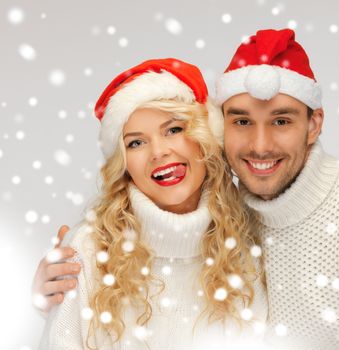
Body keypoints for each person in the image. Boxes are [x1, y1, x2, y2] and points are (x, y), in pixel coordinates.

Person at [34, 29, 339, 350]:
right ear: (219, 130)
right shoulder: (94, 250)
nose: (260, 145)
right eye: (242, 121)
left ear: (314, 123)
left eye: (281, 121)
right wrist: (48, 295)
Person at [37, 58, 267, 350]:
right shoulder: (89, 248)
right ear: (124, 165)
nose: (158, 152)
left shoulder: (245, 245)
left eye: (173, 130)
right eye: (136, 142)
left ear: (204, 138)